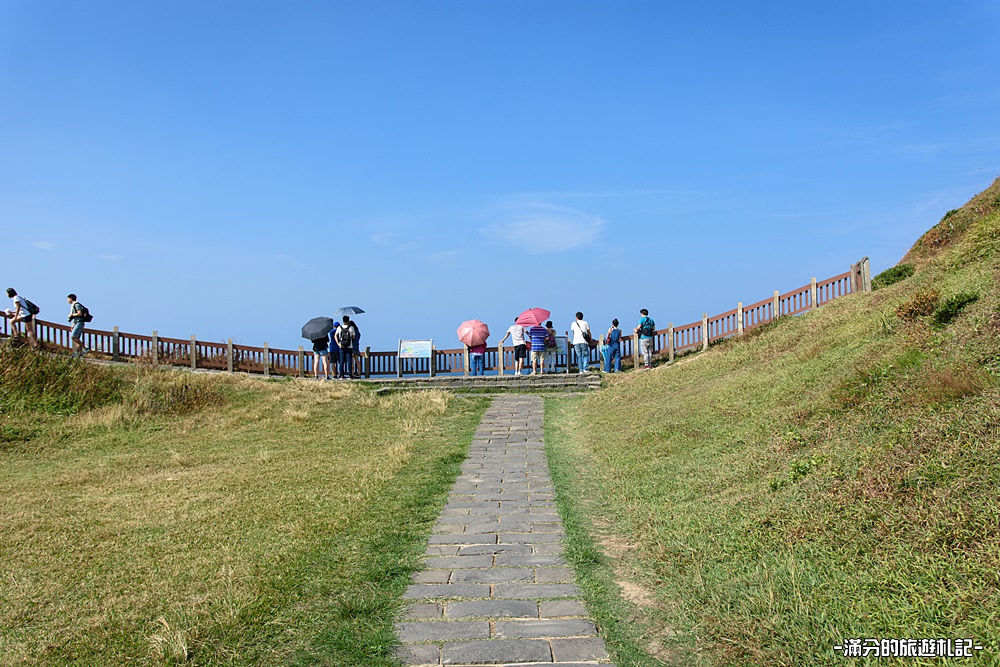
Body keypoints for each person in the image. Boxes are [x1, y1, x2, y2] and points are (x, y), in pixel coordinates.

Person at [67, 294, 90, 358]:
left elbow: (79, 313)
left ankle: (85, 348)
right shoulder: (74, 305)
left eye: (68, 299)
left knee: (73, 336)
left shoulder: (77, 304)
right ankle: (78, 353)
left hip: (80, 322)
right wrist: (73, 324)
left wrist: (71, 315)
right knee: (76, 338)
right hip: (77, 322)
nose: (67, 300)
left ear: (71, 298)